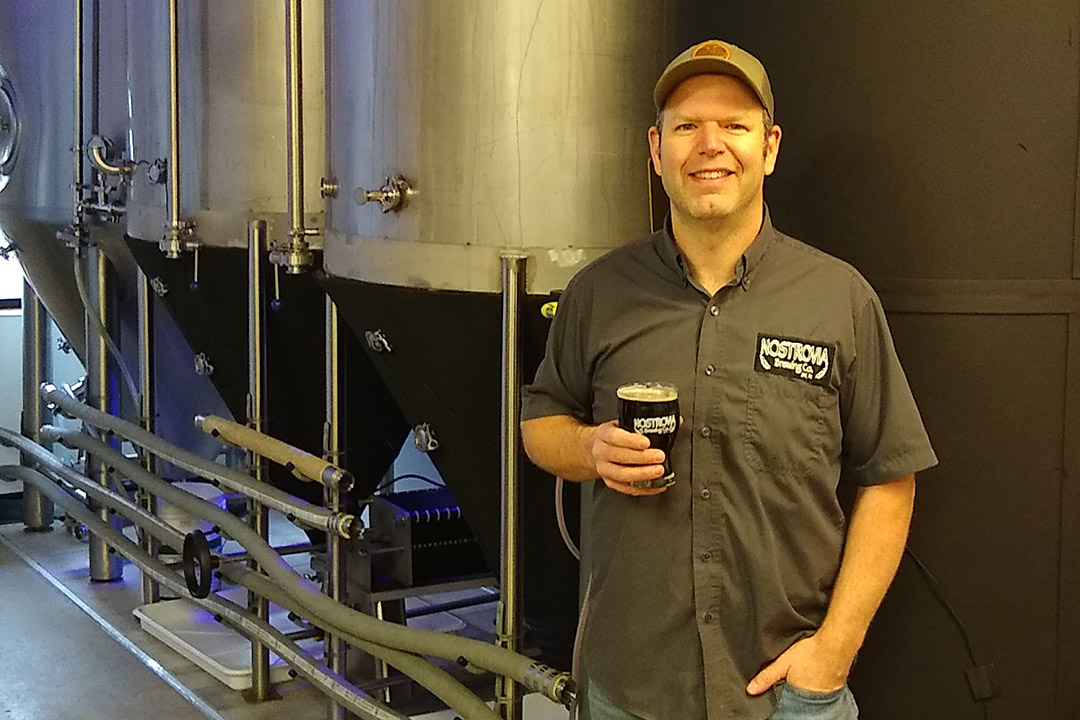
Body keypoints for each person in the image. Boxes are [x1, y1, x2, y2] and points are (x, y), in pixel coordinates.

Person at [519, 39, 938, 720]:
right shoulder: (598, 293)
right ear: (656, 151)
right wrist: (589, 450)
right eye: (686, 126)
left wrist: (836, 648)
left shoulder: (839, 298)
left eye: (735, 126)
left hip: (790, 694)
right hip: (631, 687)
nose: (709, 144)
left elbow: (890, 478)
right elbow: (541, 423)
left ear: (769, 147)